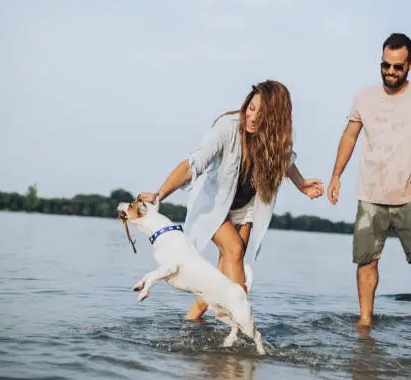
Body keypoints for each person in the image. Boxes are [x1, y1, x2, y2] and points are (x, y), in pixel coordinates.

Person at [139, 80, 324, 321]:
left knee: (227, 267)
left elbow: (285, 160)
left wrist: (301, 184)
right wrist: (159, 193)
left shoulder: (275, 141)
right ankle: (242, 323)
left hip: (245, 209)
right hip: (213, 206)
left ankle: (194, 317)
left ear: (275, 119)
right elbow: (192, 164)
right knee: (234, 250)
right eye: (251, 107)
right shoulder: (228, 128)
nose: (253, 117)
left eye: (262, 113)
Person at [327, 33, 411, 332]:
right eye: (386, 65)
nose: (390, 72)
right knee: (366, 261)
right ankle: (364, 322)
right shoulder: (364, 97)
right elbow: (349, 136)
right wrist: (336, 175)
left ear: (410, 65)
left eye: (397, 67)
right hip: (371, 194)